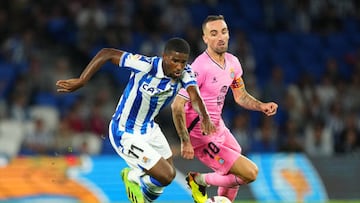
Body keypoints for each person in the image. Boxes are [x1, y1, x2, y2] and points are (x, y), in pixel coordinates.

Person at [56, 37, 216, 203]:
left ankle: (141, 194)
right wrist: (82, 80)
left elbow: (194, 96)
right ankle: (132, 175)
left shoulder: (186, 73)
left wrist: (204, 117)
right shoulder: (145, 65)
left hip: (149, 128)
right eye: (175, 61)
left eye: (183, 62)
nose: (179, 66)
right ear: (164, 57)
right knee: (166, 176)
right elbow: (107, 53)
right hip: (125, 131)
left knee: (166, 176)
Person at [171, 15, 278, 203]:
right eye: (214, 33)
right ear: (205, 39)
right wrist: (185, 141)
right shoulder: (199, 68)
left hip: (218, 127)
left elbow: (241, 96)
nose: (221, 37)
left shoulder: (233, 63)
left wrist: (261, 106)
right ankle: (198, 180)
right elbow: (177, 105)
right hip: (201, 135)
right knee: (250, 173)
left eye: (224, 31)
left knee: (235, 172)